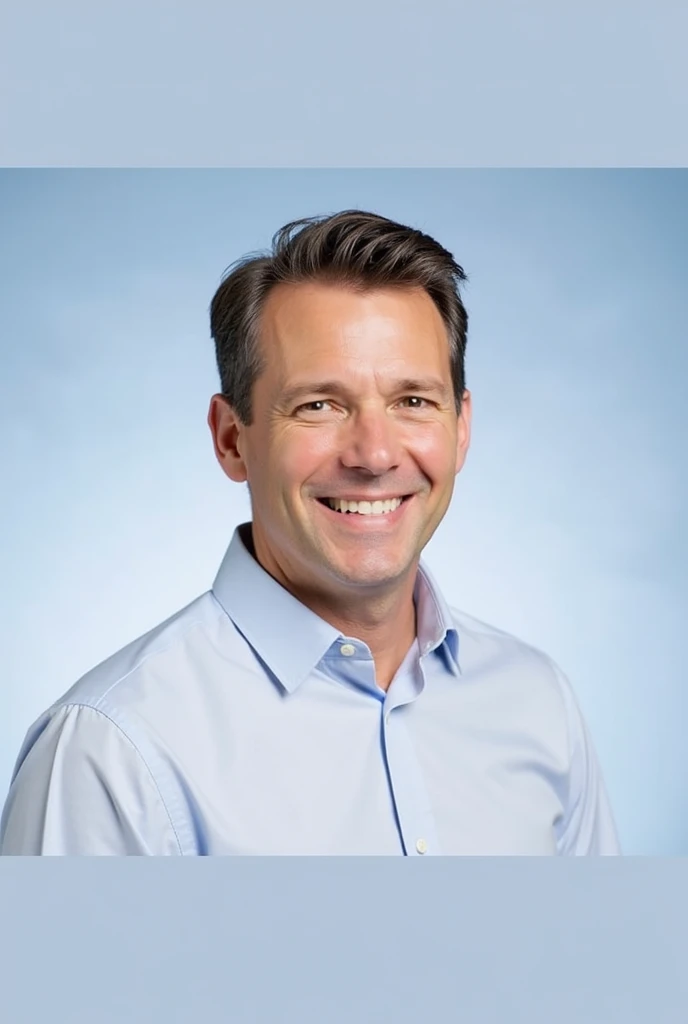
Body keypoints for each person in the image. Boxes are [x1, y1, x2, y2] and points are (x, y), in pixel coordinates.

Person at [0, 210, 620, 856]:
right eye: (319, 405)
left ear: (460, 428)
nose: (374, 455)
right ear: (231, 439)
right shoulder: (109, 756)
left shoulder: (539, 705)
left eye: (413, 401)